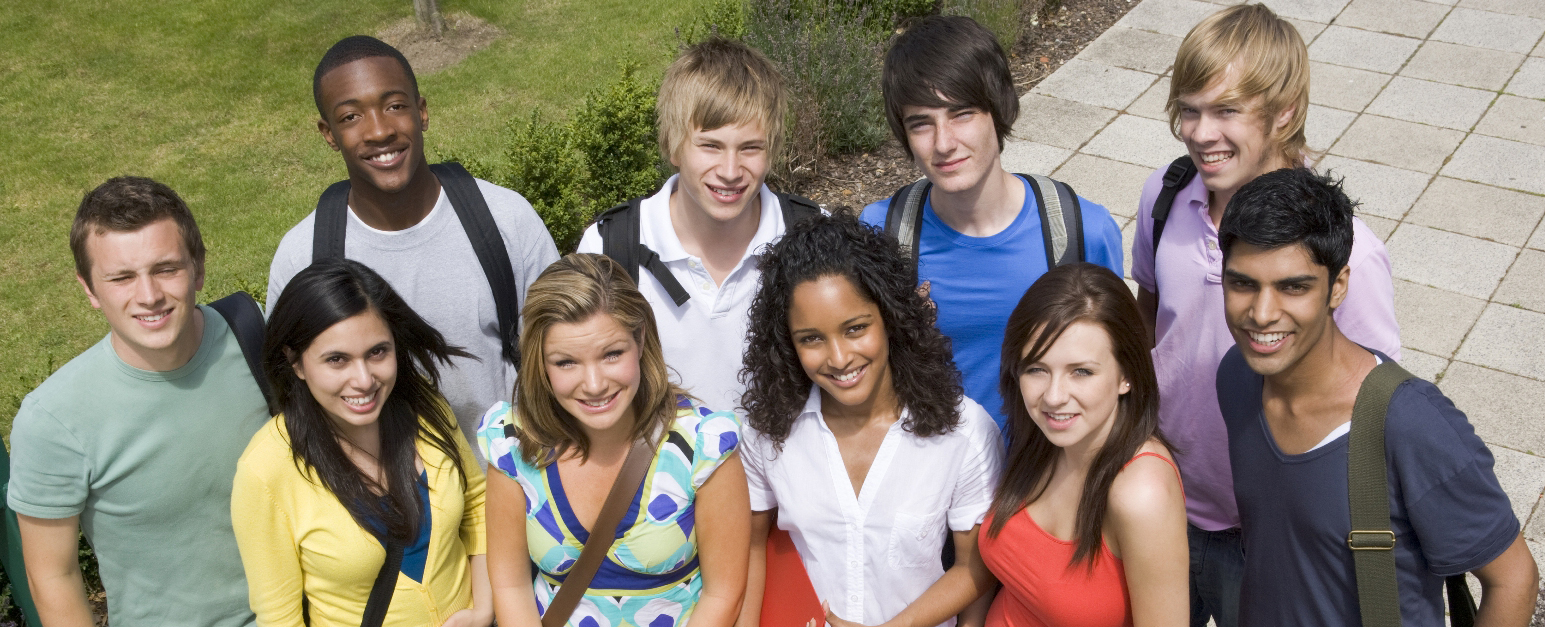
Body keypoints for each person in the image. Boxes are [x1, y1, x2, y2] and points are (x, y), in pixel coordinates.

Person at [1127, 6, 1401, 625]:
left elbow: (1374, 405)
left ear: (1284, 113)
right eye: (1189, 110)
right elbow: (1148, 313)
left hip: (1267, 533)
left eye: (1226, 111)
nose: (1200, 134)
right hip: (1160, 498)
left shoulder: (1346, 250)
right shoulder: (1164, 196)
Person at [1213, 168, 1537, 625]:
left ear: (1338, 286)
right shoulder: (1237, 377)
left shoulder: (1410, 425)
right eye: (1243, 283)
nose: (1262, 314)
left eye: (1294, 286)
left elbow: (1514, 579)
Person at [268, 35, 559, 460]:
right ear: (328, 134)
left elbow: (566, 354)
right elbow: (292, 402)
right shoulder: (303, 255)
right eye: (351, 116)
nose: (379, 130)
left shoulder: (505, 220)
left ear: (422, 111)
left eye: (395, 106)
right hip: (388, 510)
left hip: (513, 485)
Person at [6, 177, 269, 627]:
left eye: (166, 268)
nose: (149, 296)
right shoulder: (52, 419)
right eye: (122, 277)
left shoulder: (256, 337)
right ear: (89, 290)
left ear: (199, 268)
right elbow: (52, 574)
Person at [859, 15, 1124, 431]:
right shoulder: (883, 233)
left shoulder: (1082, 232)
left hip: (1046, 479)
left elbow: (1117, 367)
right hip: (936, 478)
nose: (943, 143)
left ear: (997, 111)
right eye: (921, 123)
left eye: (961, 114)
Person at [737, 214, 1003, 627]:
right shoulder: (768, 433)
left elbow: (975, 568)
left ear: (891, 319)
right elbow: (752, 546)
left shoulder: (965, 431)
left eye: (856, 329)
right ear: (786, 342)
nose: (840, 358)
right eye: (811, 338)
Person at [478, 253, 749, 627]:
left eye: (611, 354)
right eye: (566, 362)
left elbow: (724, 594)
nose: (594, 385)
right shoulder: (511, 442)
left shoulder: (704, 445)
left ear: (640, 340)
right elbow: (510, 587)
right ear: (539, 361)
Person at [232, 258, 491, 627]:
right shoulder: (265, 470)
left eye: (377, 352)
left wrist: (483, 609)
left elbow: (477, 505)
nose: (364, 380)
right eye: (336, 360)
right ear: (296, 362)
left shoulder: (424, 406)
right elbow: (279, 618)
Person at [576, 37, 815, 416]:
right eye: (710, 146)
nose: (731, 171)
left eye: (751, 147)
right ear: (673, 146)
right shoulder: (611, 248)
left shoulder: (811, 236)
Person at [981, 262, 1187, 627]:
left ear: (1127, 375)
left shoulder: (1141, 493)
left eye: (1082, 372)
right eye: (1036, 369)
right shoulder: (1046, 437)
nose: (1054, 396)